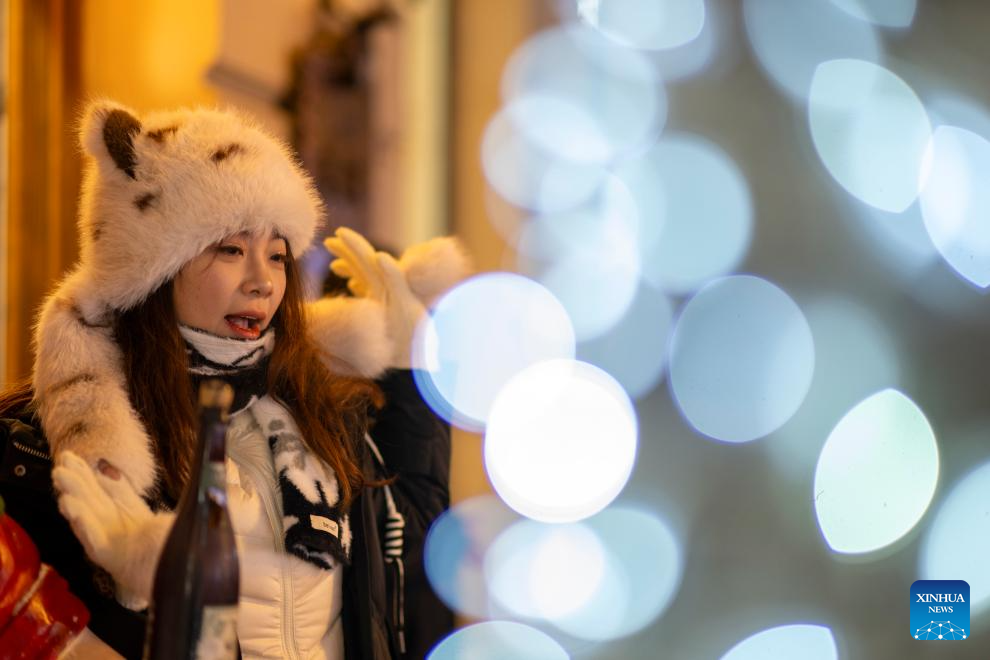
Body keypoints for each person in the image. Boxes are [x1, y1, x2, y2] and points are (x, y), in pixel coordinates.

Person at [0, 99, 468, 658]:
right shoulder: (50, 446)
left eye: (276, 255)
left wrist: (410, 376)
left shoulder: (324, 407)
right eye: (230, 249)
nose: (262, 283)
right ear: (153, 266)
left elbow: (409, 559)